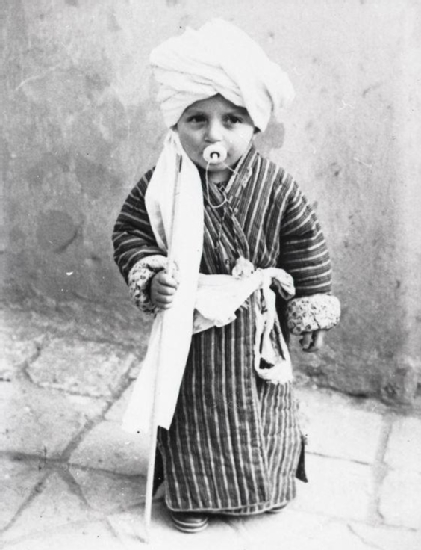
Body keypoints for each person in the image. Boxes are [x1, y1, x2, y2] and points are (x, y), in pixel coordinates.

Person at [112, 19, 340, 534]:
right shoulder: (162, 185)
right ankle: (193, 492)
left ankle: (267, 485)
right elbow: (131, 232)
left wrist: (310, 306)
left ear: (255, 125)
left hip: (255, 326)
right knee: (196, 411)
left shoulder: (277, 186)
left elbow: (305, 245)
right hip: (192, 331)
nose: (213, 134)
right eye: (197, 118)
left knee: (266, 409)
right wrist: (151, 273)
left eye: (232, 119)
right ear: (174, 123)